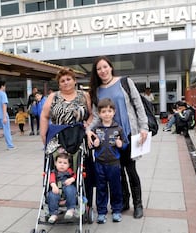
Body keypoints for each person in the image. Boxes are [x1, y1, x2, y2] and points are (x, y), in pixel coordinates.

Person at [87, 56, 148, 219]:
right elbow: (95, 116)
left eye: (105, 67)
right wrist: (88, 130)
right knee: (117, 172)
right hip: (108, 138)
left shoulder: (125, 82)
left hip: (127, 133)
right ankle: (123, 201)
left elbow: (138, 105)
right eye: (99, 69)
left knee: (130, 169)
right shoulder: (97, 90)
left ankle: (138, 204)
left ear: (111, 67)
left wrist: (143, 127)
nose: (103, 71)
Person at [39, 67, 93, 213]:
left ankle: (84, 201)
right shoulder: (53, 96)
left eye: (69, 79)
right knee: (54, 166)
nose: (66, 82)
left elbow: (91, 114)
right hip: (57, 135)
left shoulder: (84, 95)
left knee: (81, 165)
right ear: (59, 84)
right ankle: (54, 200)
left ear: (74, 81)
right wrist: (43, 135)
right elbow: (44, 116)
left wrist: (87, 125)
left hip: (78, 134)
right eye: (62, 81)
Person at [91, 98, 127, 223]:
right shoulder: (96, 129)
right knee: (101, 188)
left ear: (114, 112)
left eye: (109, 111)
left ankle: (116, 210)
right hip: (99, 164)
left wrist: (120, 144)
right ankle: (101, 212)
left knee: (116, 188)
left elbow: (125, 144)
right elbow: (90, 144)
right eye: (104, 111)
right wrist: (94, 144)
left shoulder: (119, 129)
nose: (107, 114)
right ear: (99, 113)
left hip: (114, 164)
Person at [47, 153, 77, 224]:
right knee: (51, 195)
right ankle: (54, 214)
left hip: (68, 188)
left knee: (70, 189)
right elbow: (51, 180)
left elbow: (76, 176)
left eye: (65, 163)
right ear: (55, 163)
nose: (62, 165)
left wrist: (72, 179)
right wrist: (54, 185)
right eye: (59, 162)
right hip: (57, 189)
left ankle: (70, 209)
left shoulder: (69, 171)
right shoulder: (54, 172)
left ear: (69, 165)